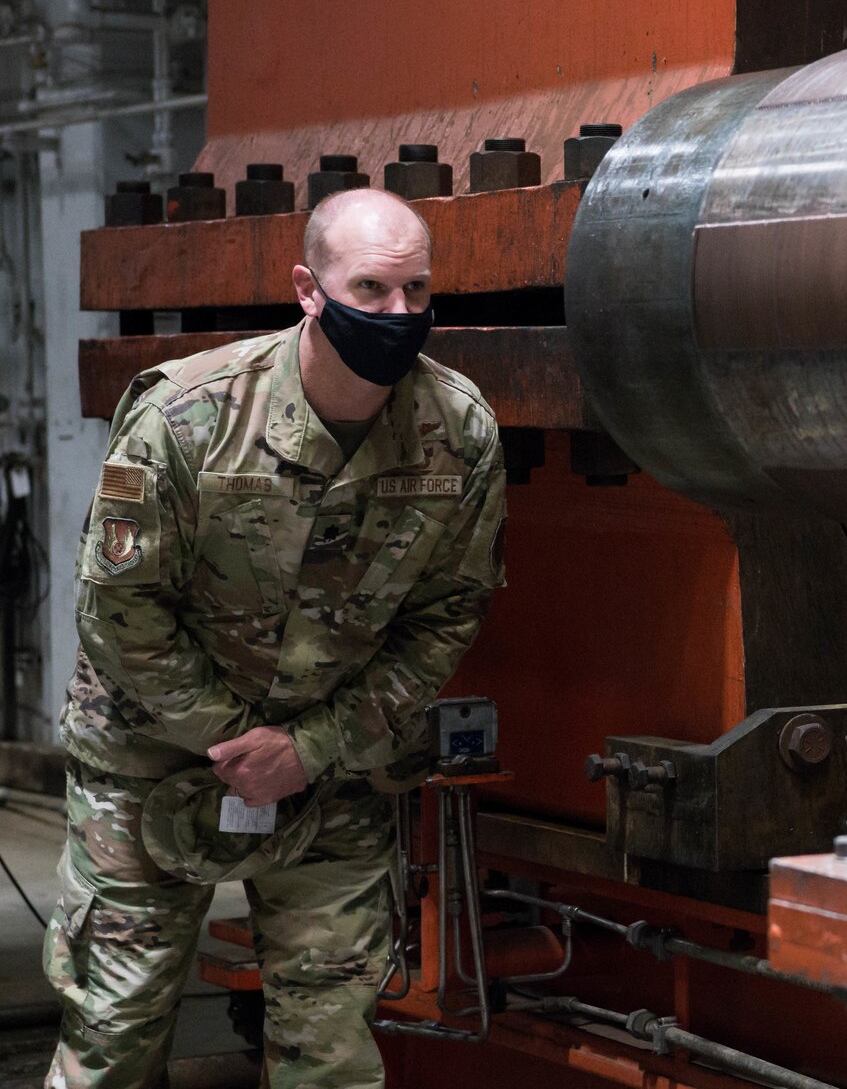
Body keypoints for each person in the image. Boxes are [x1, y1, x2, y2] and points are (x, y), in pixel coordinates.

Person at [45, 188, 507, 1089]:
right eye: (370, 288)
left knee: (330, 1051)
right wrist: (235, 739)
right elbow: (119, 611)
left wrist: (305, 749)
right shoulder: (189, 417)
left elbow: (448, 614)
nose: (397, 313)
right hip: (150, 755)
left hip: (328, 767)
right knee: (115, 1035)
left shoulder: (458, 432)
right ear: (308, 287)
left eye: (416, 291)